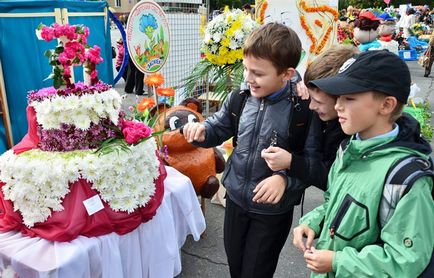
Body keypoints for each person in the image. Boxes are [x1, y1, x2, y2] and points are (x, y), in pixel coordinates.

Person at [182, 23, 311, 278]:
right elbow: (218, 126)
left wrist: (285, 180)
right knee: (236, 266)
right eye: (246, 70)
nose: (249, 78)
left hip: (271, 212)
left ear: (286, 74)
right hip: (236, 200)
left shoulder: (301, 109)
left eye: (258, 73)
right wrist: (202, 132)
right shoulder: (240, 97)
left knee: (255, 272)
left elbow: (313, 162)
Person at [293, 50, 433, 277]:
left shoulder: (407, 179)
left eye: (349, 98)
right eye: (338, 97)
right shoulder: (348, 149)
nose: (338, 105)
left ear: (386, 105)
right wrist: (313, 222)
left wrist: (339, 262)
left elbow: (405, 260)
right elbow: (333, 202)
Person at [261, 45, 359, 191]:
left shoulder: (354, 133)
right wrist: (294, 81)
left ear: (343, 98)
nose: (311, 106)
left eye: (318, 101)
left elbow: (334, 180)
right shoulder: (329, 117)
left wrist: (291, 162)